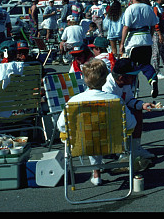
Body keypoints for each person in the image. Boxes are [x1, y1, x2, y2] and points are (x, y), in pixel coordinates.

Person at [57, 58, 137, 186]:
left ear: (85, 78)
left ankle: (96, 173)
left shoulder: (73, 102)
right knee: (99, 131)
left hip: (83, 143)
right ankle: (97, 172)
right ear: (105, 78)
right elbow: (131, 124)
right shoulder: (115, 100)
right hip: (111, 143)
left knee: (88, 132)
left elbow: (61, 125)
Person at [103, 58, 156, 159]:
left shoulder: (124, 83)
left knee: (137, 111)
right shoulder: (108, 88)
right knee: (125, 117)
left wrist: (142, 105)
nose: (134, 78)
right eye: (132, 76)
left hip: (119, 110)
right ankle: (121, 149)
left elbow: (129, 100)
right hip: (107, 117)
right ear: (122, 77)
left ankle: (135, 148)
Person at [120, 0, 160, 98]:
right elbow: (153, 25)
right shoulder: (148, 8)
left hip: (133, 42)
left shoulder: (130, 9)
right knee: (146, 64)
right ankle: (152, 79)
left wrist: (122, 44)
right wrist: (149, 36)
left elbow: (126, 27)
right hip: (146, 40)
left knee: (131, 67)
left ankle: (132, 91)